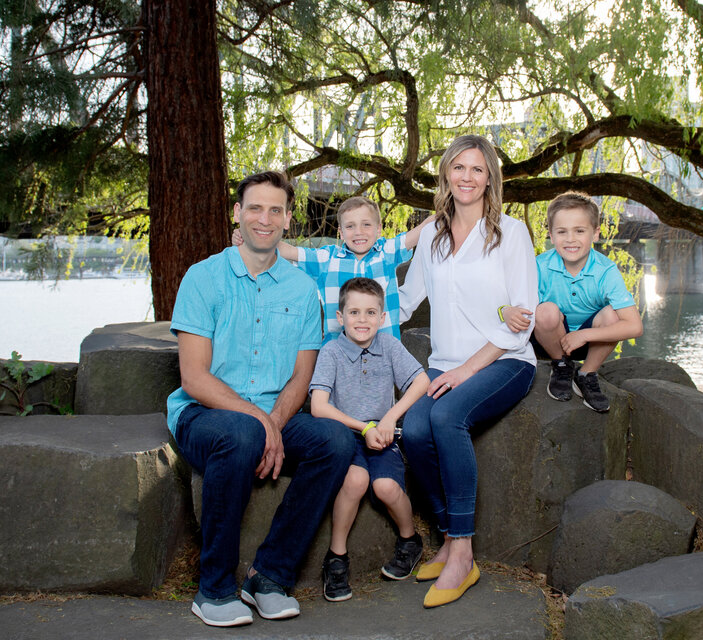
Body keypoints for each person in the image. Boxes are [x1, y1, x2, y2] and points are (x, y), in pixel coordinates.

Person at [166, 171, 353, 628]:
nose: (263, 219)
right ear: (237, 213)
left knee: (336, 441)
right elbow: (194, 377)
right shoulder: (202, 277)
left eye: (275, 210)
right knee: (241, 431)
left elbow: (300, 377)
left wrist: (274, 420)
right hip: (204, 416)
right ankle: (213, 589)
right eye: (254, 208)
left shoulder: (301, 290)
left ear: (288, 219)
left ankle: (269, 576)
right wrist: (261, 422)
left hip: (275, 414)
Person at [398, 134, 538, 608]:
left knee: (444, 418)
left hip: (505, 359)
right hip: (444, 365)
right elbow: (403, 301)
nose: (467, 177)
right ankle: (448, 538)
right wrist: (348, 312)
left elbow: (522, 317)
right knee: (412, 431)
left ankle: (463, 552)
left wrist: (465, 372)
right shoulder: (433, 233)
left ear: (490, 178)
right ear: (445, 174)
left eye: (477, 169)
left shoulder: (511, 233)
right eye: (459, 167)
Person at [308, 277, 430, 602]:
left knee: (386, 487)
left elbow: (421, 382)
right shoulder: (331, 351)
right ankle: (336, 558)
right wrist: (362, 428)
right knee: (355, 480)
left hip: (384, 435)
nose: (362, 320)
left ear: (382, 317)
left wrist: (390, 418)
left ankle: (409, 540)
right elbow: (318, 407)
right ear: (340, 317)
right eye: (355, 312)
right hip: (346, 436)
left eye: (371, 313)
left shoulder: (389, 346)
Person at [501, 191, 643, 413]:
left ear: (595, 233)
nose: (570, 239)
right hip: (550, 338)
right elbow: (509, 302)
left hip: (589, 342)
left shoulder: (606, 270)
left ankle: (587, 373)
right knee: (544, 310)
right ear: (551, 234)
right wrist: (506, 310)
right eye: (562, 232)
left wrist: (584, 335)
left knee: (612, 316)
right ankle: (561, 366)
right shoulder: (539, 266)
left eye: (579, 231)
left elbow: (635, 326)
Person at [233, 195, 433, 344]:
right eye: (351, 226)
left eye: (366, 225)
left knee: (382, 399)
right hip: (339, 352)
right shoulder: (327, 258)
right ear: (341, 232)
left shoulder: (386, 251)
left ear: (379, 228)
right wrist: (250, 237)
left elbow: (423, 229)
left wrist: (451, 211)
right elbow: (290, 251)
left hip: (384, 349)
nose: (359, 232)